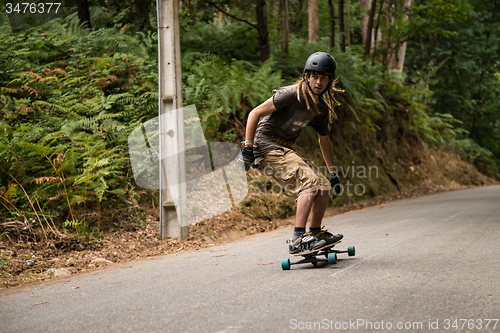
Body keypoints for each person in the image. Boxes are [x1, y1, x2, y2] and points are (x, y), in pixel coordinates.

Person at [239, 52, 345, 254]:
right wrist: (247, 146)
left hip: (284, 149)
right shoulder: (290, 94)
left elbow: (324, 139)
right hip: (265, 146)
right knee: (308, 182)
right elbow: (255, 113)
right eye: (315, 76)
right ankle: (298, 239)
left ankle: (314, 234)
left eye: (324, 78)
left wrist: (333, 174)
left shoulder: (321, 109)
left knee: (322, 185)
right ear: (307, 76)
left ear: (330, 81)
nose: (318, 82)